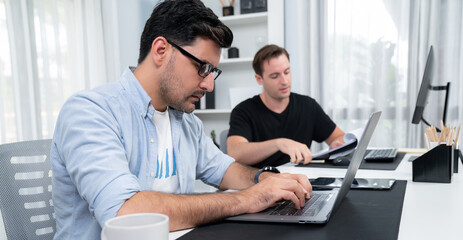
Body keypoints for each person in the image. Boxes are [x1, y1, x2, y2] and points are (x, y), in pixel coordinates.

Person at [51, 1, 311, 239]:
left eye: (213, 72)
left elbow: (224, 169)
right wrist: (247, 199)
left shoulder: (186, 122)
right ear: (161, 50)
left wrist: (263, 180)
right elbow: (125, 214)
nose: (209, 84)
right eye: (203, 67)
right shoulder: (90, 112)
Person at [227, 44, 345, 168]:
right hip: (260, 182)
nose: (284, 81)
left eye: (287, 72)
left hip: (300, 181)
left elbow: (338, 136)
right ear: (259, 79)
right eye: (275, 76)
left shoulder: (308, 106)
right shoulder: (243, 111)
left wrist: (338, 143)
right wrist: (279, 144)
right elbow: (236, 152)